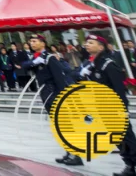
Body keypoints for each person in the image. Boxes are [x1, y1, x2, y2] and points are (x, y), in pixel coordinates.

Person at [78, 33, 136, 176]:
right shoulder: (91, 64)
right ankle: (129, 165)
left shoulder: (108, 64)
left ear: (101, 47)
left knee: (127, 137)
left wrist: (122, 108)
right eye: (87, 43)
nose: (87, 45)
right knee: (117, 138)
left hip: (114, 107)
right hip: (102, 107)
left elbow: (119, 89)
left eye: (91, 43)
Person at [23, 34, 81, 167]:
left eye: (35, 41)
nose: (32, 43)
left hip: (54, 92)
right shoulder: (36, 58)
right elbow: (24, 66)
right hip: (45, 93)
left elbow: (59, 78)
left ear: (43, 43)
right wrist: (34, 62)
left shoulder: (50, 58)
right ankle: (69, 152)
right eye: (31, 41)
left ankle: (76, 154)